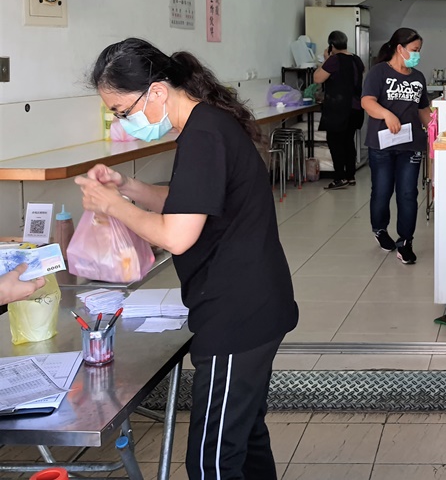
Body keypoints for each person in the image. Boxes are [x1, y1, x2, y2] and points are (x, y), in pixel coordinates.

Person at [74, 38, 298, 480]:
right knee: (245, 439)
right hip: (253, 303)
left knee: (212, 462)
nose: (123, 122)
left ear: (157, 92)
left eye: (122, 111)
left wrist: (111, 205)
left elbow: (177, 235)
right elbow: (188, 202)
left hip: (237, 314)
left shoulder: (203, 134)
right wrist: (128, 188)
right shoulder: (205, 125)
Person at [361, 28, 431, 265]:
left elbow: (423, 109)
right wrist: (387, 115)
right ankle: (380, 229)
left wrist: (435, 130)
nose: (417, 55)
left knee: (408, 194)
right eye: (414, 50)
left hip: (411, 144)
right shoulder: (378, 73)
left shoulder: (418, 77)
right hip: (382, 143)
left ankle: (406, 242)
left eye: (419, 51)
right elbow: (367, 102)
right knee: (382, 191)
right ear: (399, 49)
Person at [313, 30, 365, 190]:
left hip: (339, 109)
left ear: (332, 45)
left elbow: (317, 78)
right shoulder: (357, 59)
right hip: (356, 109)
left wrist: (326, 60)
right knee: (348, 142)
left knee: (336, 143)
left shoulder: (334, 60)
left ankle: (339, 177)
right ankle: (350, 176)